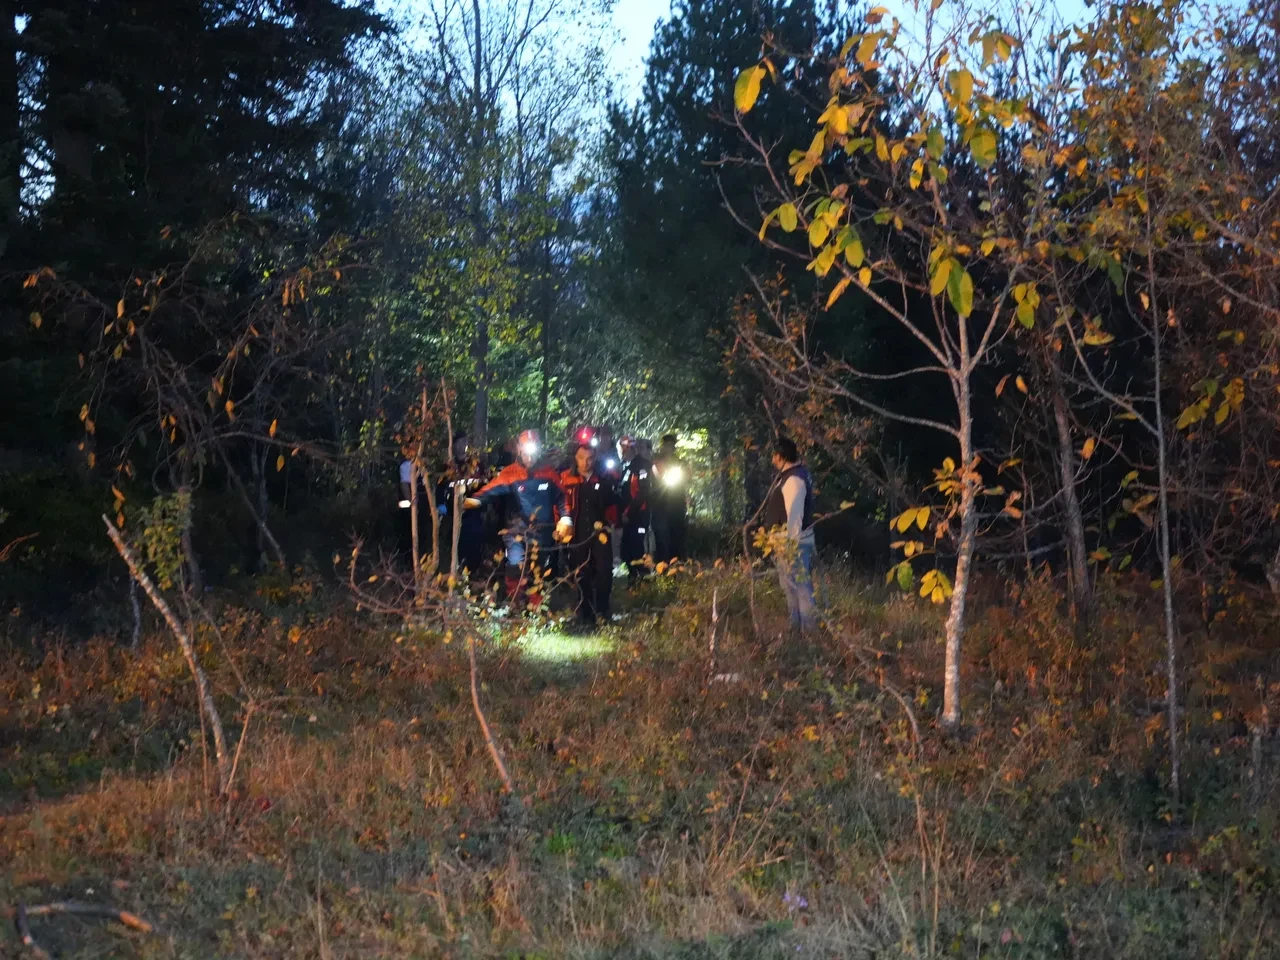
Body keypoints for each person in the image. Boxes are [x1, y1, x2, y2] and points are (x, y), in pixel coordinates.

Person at [465, 429, 572, 609]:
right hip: (516, 530)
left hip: (543, 531)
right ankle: (516, 603)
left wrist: (565, 518)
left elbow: (562, 498)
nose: (529, 456)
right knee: (515, 564)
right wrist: (474, 500)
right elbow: (491, 489)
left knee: (538, 568)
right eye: (525, 449)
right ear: (519, 449)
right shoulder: (511, 473)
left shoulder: (549, 474)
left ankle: (534, 607)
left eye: (533, 449)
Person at [764, 437, 818, 634]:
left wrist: (790, 547)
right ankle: (796, 630)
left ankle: (809, 632)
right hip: (788, 543)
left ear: (781, 456)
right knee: (791, 587)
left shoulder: (794, 479)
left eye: (774, 455)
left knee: (801, 588)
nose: (772, 459)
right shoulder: (790, 476)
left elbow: (794, 515)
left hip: (793, 544)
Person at [559, 442, 618, 625]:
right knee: (580, 571)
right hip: (576, 533)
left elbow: (613, 503)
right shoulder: (566, 479)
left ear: (595, 459)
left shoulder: (603, 479)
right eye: (581, 458)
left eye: (590, 458)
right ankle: (584, 611)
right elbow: (559, 504)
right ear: (575, 458)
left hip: (600, 533)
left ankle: (602, 609)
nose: (586, 462)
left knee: (604, 570)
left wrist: (612, 522)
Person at [435, 434, 486, 577]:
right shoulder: (449, 466)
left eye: (464, 442)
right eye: (459, 442)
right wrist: (441, 504)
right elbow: (440, 487)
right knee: (458, 541)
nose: (462, 445)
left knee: (475, 540)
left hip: (474, 508)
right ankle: (460, 570)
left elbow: (485, 485)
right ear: (454, 445)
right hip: (455, 510)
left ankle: (474, 571)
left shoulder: (476, 465)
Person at [619, 436, 653, 583]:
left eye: (625, 448)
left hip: (639, 514)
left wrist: (628, 512)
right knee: (626, 549)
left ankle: (644, 578)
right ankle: (633, 577)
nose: (623, 451)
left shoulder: (642, 466)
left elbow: (642, 492)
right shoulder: (627, 467)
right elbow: (623, 489)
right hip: (629, 516)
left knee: (637, 546)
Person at [652, 433, 690, 564]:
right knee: (661, 534)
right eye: (666, 445)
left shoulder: (680, 462)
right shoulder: (656, 462)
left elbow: (687, 477)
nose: (668, 448)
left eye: (671, 445)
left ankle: (678, 561)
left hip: (677, 503)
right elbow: (654, 478)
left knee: (677, 533)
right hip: (660, 504)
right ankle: (661, 562)